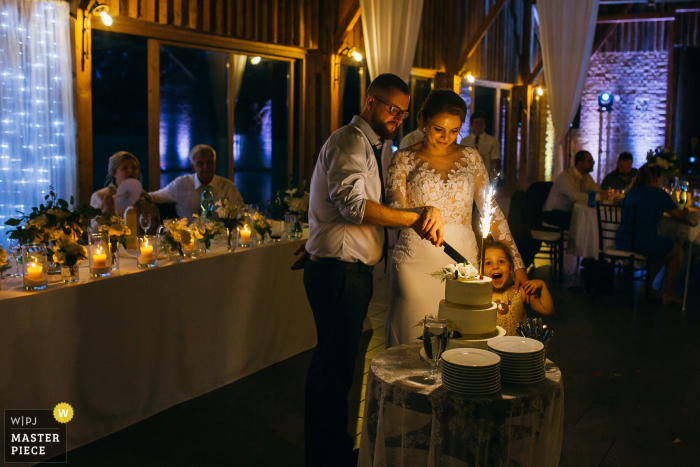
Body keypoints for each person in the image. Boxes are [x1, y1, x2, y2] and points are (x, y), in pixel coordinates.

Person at [292, 73, 445, 467]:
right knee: (335, 370)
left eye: (402, 113)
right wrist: (412, 218)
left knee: (332, 366)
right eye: (391, 108)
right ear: (370, 101)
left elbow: (332, 206)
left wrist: (314, 239)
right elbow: (353, 207)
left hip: (337, 266)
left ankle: (328, 451)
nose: (397, 118)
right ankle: (331, 457)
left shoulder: (366, 144)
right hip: (339, 273)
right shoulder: (348, 141)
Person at [385, 89, 527, 348]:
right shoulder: (403, 158)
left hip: (463, 261)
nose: (446, 137)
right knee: (415, 341)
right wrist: (419, 213)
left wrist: (517, 262)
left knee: (461, 341)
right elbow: (393, 212)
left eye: (454, 130)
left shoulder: (470, 157)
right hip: (416, 262)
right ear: (422, 121)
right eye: (439, 128)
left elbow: (491, 210)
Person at [617, 164, 688, 304]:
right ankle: (668, 293)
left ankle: (647, 287)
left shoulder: (631, 192)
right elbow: (679, 215)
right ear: (656, 178)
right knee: (677, 250)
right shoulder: (658, 193)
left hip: (622, 240)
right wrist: (685, 210)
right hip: (642, 242)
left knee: (665, 248)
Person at [149, 144, 244, 220]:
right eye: (200, 163)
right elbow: (153, 197)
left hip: (221, 240)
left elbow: (242, 213)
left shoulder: (227, 187)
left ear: (215, 164)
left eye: (210, 162)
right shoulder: (181, 184)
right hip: (188, 240)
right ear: (193, 167)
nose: (206, 167)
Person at [482, 236, 553, 336]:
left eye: (501, 261)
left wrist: (543, 286)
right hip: (491, 348)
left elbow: (547, 309)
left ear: (511, 268)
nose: (495, 267)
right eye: (488, 263)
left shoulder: (520, 292)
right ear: (481, 271)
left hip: (517, 348)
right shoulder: (480, 297)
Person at [90, 151, 159, 220]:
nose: (130, 171)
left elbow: (153, 224)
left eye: (134, 168)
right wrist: (106, 210)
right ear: (114, 173)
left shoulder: (143, 197)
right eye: (125, 168)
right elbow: (91, 230)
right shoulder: (100, 196)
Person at [542, 150, 601, 230]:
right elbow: (574, 196)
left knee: (588, 220)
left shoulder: (586, 176)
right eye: (589, 161)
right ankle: (580, 242)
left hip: (568, 212)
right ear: (580, 163)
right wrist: (597, 197)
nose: (593, 163)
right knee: (583, 223)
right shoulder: (566, 176)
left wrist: (604, 194)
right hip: (553, 213)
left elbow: (596, 190)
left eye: (592, 161)